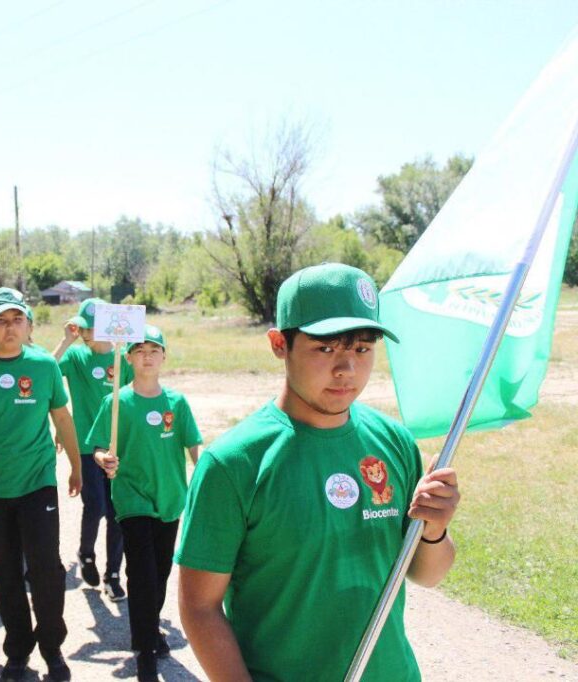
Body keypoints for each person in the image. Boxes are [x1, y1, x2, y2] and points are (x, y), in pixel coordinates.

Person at [175, 263, 461, 682]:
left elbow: (426, 573)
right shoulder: (233, 463)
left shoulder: (395, 443)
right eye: (325, 349)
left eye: (362, 349)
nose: (346, 368)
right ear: (279, 344)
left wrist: (435, 528)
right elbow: (199, 607)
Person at [0, 287, 82, 682]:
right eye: (1, 321)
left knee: (46, 570)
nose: (10, 328)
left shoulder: (44, 366)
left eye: (17, 320)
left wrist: (76, 466)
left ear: (28, 325)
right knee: (4, 573)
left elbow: (62, 419)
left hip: (37, 483)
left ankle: (53, 647)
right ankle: (18, 651)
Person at [88, 325, 201, 681]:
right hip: (132, 498)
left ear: (164, 357)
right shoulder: (116, 403)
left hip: (170, 500)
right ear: (129, 357)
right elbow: (98, 447)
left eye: (154, 350)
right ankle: (145, 651)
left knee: (162, 571)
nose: (147, 356)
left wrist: (208, 479)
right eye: (139, 351)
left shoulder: (177, 403)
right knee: (142, 573)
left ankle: (151, 628)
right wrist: (104, 458)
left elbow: (194, 446)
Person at [52, 297, 133, 600]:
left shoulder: (122, 359)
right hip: (86, 444)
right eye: (82, 327)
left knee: (117, 510)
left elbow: (138, 392)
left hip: (117, 446)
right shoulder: (75, 357)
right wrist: (65, 339)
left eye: (88, 327)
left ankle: (113, 574)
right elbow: (45, 369)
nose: (84, 332)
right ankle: (86, 553)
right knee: (96, 505)